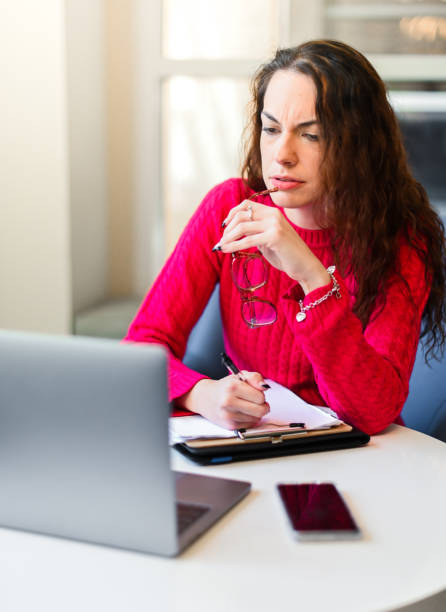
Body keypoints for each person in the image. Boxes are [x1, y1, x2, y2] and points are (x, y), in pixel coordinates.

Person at [124, 40, 446, 436]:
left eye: (311, 136)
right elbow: (142, 344)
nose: (282, 155)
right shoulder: (229, 206)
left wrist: (313, 278)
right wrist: (201, 394)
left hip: (360, 460)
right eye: (271, 128)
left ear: (359, 144)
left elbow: (372, 412)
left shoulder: (402, 240)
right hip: (255, 448)